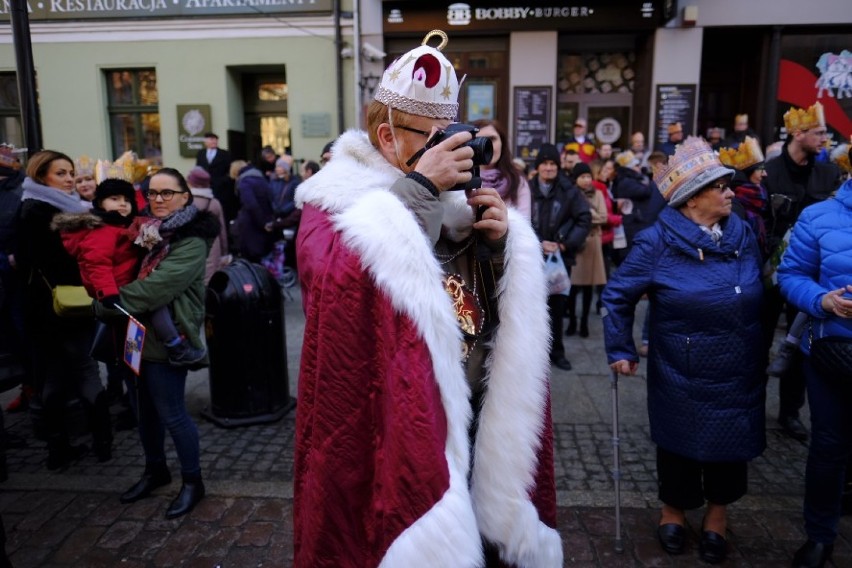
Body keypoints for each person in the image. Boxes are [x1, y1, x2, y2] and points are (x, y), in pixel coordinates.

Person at [294, 30, 561, 567]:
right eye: (435, 136)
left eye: (454, 134)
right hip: (393, 419)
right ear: (388, 137)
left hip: (473, 407)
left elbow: (477, 308)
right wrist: (418, 189)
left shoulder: (457, 200)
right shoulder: (333, 202)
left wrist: (494, 250)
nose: (452, 148)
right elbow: (337, 283)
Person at [603, 136, 765, 565]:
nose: (731, 192)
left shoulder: (742, 233)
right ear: (693, 201)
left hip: (738, 362)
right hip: (683, 365)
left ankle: (716, 518)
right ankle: (672, 512)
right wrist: (621, 348)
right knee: (678, 445)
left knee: (731, 448)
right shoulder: (656, 242)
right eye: (721, 186)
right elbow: (617, 295)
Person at [95, 167, 220, 519]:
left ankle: (193, 482)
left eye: (167, 193)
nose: (159, 199)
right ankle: (155, 470)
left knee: (172, 413)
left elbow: (154, 289)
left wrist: (105, 304)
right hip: (135, 336)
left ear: (185, 196)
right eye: (152, 193)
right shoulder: (147, 231)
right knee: (143, 411)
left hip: (169, 338)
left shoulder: (191, 239)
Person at [15, 150, 112, 470]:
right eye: (61, 173)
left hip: (44, 307)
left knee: (55, 375)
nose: (70, 178)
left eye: (71, 172)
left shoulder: (37, 206)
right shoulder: (45, 212)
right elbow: (59, 260)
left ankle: (59, 450)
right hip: (61, 305)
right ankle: (101, 442)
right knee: (81, 370)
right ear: (41, 176)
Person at [776, 166, 852, 568]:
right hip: (833, 352)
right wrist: (824, 301)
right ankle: (820, 535)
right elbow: (789, 275)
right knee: (829, 446)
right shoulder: (819, 216)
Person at [54, 178, 207, 366]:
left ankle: (123, 372)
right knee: (156, 307)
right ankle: (175, 346)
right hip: (115, 287)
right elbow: (97, 264)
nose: (122, 204)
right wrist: (107, 292)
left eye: (126, 200)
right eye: (114, 198)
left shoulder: (122, 225)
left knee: (127, 340)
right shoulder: (103, 230)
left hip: (125, 282)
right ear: (100, 203)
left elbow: (142, 233)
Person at [764, 102, 841, 442]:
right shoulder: (768, 171)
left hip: (812, 276)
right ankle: (751, 407)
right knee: (759, 339)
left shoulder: (828, 174)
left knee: (800, 343)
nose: (826, 138)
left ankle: (790, 412)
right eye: (820, 132)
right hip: (768, 272)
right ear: (798, 134)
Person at [530, 142, 591, 371]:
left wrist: (564, 244)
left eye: (552, 164)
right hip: (532, 259)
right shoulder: (527, 188)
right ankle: (534, 354)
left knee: (557, 309)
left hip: (559, 261)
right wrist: (536, 243)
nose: (548, 168)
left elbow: (584, 219)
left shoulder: (569, 191)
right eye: (544, 163)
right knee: (532, 308)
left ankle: (557, 352)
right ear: (538, 167)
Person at [565, 162, 607, 338]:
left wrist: (587, 216)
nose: (586, 180)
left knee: (590, 286)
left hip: (592, 244)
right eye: (582, 177)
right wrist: (590, 217)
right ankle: (573, 320)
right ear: (576, 179)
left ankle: (584, 322)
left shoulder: (597, 194)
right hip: (576, 242)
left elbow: (603, 217)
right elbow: (569, 217)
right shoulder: (571, 195)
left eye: (588, 176)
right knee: (573, 287)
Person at [472, 118, 531, 219]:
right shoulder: (462, 180)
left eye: (492, 139)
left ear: (502, 142)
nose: (487, 146)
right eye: (479, 140)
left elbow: (524, 225)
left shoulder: (517, 180)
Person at [186, 167, 230, 284]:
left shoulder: (184, 202)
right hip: (212, 249)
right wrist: (224, 253)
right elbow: (222, 232)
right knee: (210, 284)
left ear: (191, 183)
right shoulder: (214, 203)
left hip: (189, 249)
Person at [234, 163, 275, 262]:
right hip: (265, 223)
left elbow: (251, 204)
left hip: (251, 225)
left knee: (250, 259)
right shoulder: (263, 180)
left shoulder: (244, 182)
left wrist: (262, 223)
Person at [195, 132, 237, 223]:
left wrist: (222, 181)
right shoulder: (201, 153)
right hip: (205, 188)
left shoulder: (225, 154)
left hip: (221, 189)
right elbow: (198, 168)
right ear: (205, 141)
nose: (214, 141)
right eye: (211, 139)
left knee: (221, 211)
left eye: (215, 139)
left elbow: (230, 171)